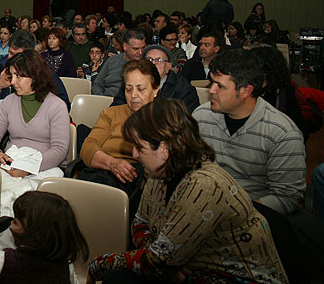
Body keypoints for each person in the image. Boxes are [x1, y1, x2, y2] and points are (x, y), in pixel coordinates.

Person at [88, 99, 288, 284]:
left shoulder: (205, 185)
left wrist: (99, 265)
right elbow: (140, 223)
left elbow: (158, 258)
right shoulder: (160, 172)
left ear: (164, 149)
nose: (134, 154)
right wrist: (165, 259)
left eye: (140, 147)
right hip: (194, 271)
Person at [193, 49, 305, 215]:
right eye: (212, 82)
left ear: (246, 91)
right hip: (202, 204)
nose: (211, 91)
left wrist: (236, 212)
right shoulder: (201, 116)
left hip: (253, 214)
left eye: (220, 86)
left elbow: (287, 196)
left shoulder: (282, 133)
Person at [0, 50, 70, 216]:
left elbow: (59, 150)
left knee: (27, 202)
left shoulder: (56, 106)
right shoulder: (10, 101)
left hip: (44, 166)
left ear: (35, 76)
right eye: (12, 75)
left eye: (19, 76)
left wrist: (28, 168)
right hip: (11, 163)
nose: (13, 82)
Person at [80, 60, 160, 210]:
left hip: (135, 183)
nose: (134, 95)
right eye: (128, 89)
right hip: (102, 173)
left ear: (156, 90)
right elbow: (88, 148)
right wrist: (112, 163)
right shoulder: (111, 114)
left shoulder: (164, 118)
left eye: (141, 89)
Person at [0, 191, 88, 284]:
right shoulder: (63, 264)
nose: (10, 225)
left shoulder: (4, 260)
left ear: (34, 234)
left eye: (15, 222)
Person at [111, 46, 199, 112]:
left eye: (159, 60)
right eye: (149, 60)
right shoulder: (131, 84)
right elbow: (116, 109)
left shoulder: (183, 88)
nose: (153, 64)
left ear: (168, 66)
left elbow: (186, 120)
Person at [92, 28, 147, 97]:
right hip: (107, 101)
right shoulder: (112, 60)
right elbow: (97, 84)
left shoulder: (147, 64)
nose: (140, 52)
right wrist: (102, 99)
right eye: (135, 49)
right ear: (125, 46)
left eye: (143, 48)